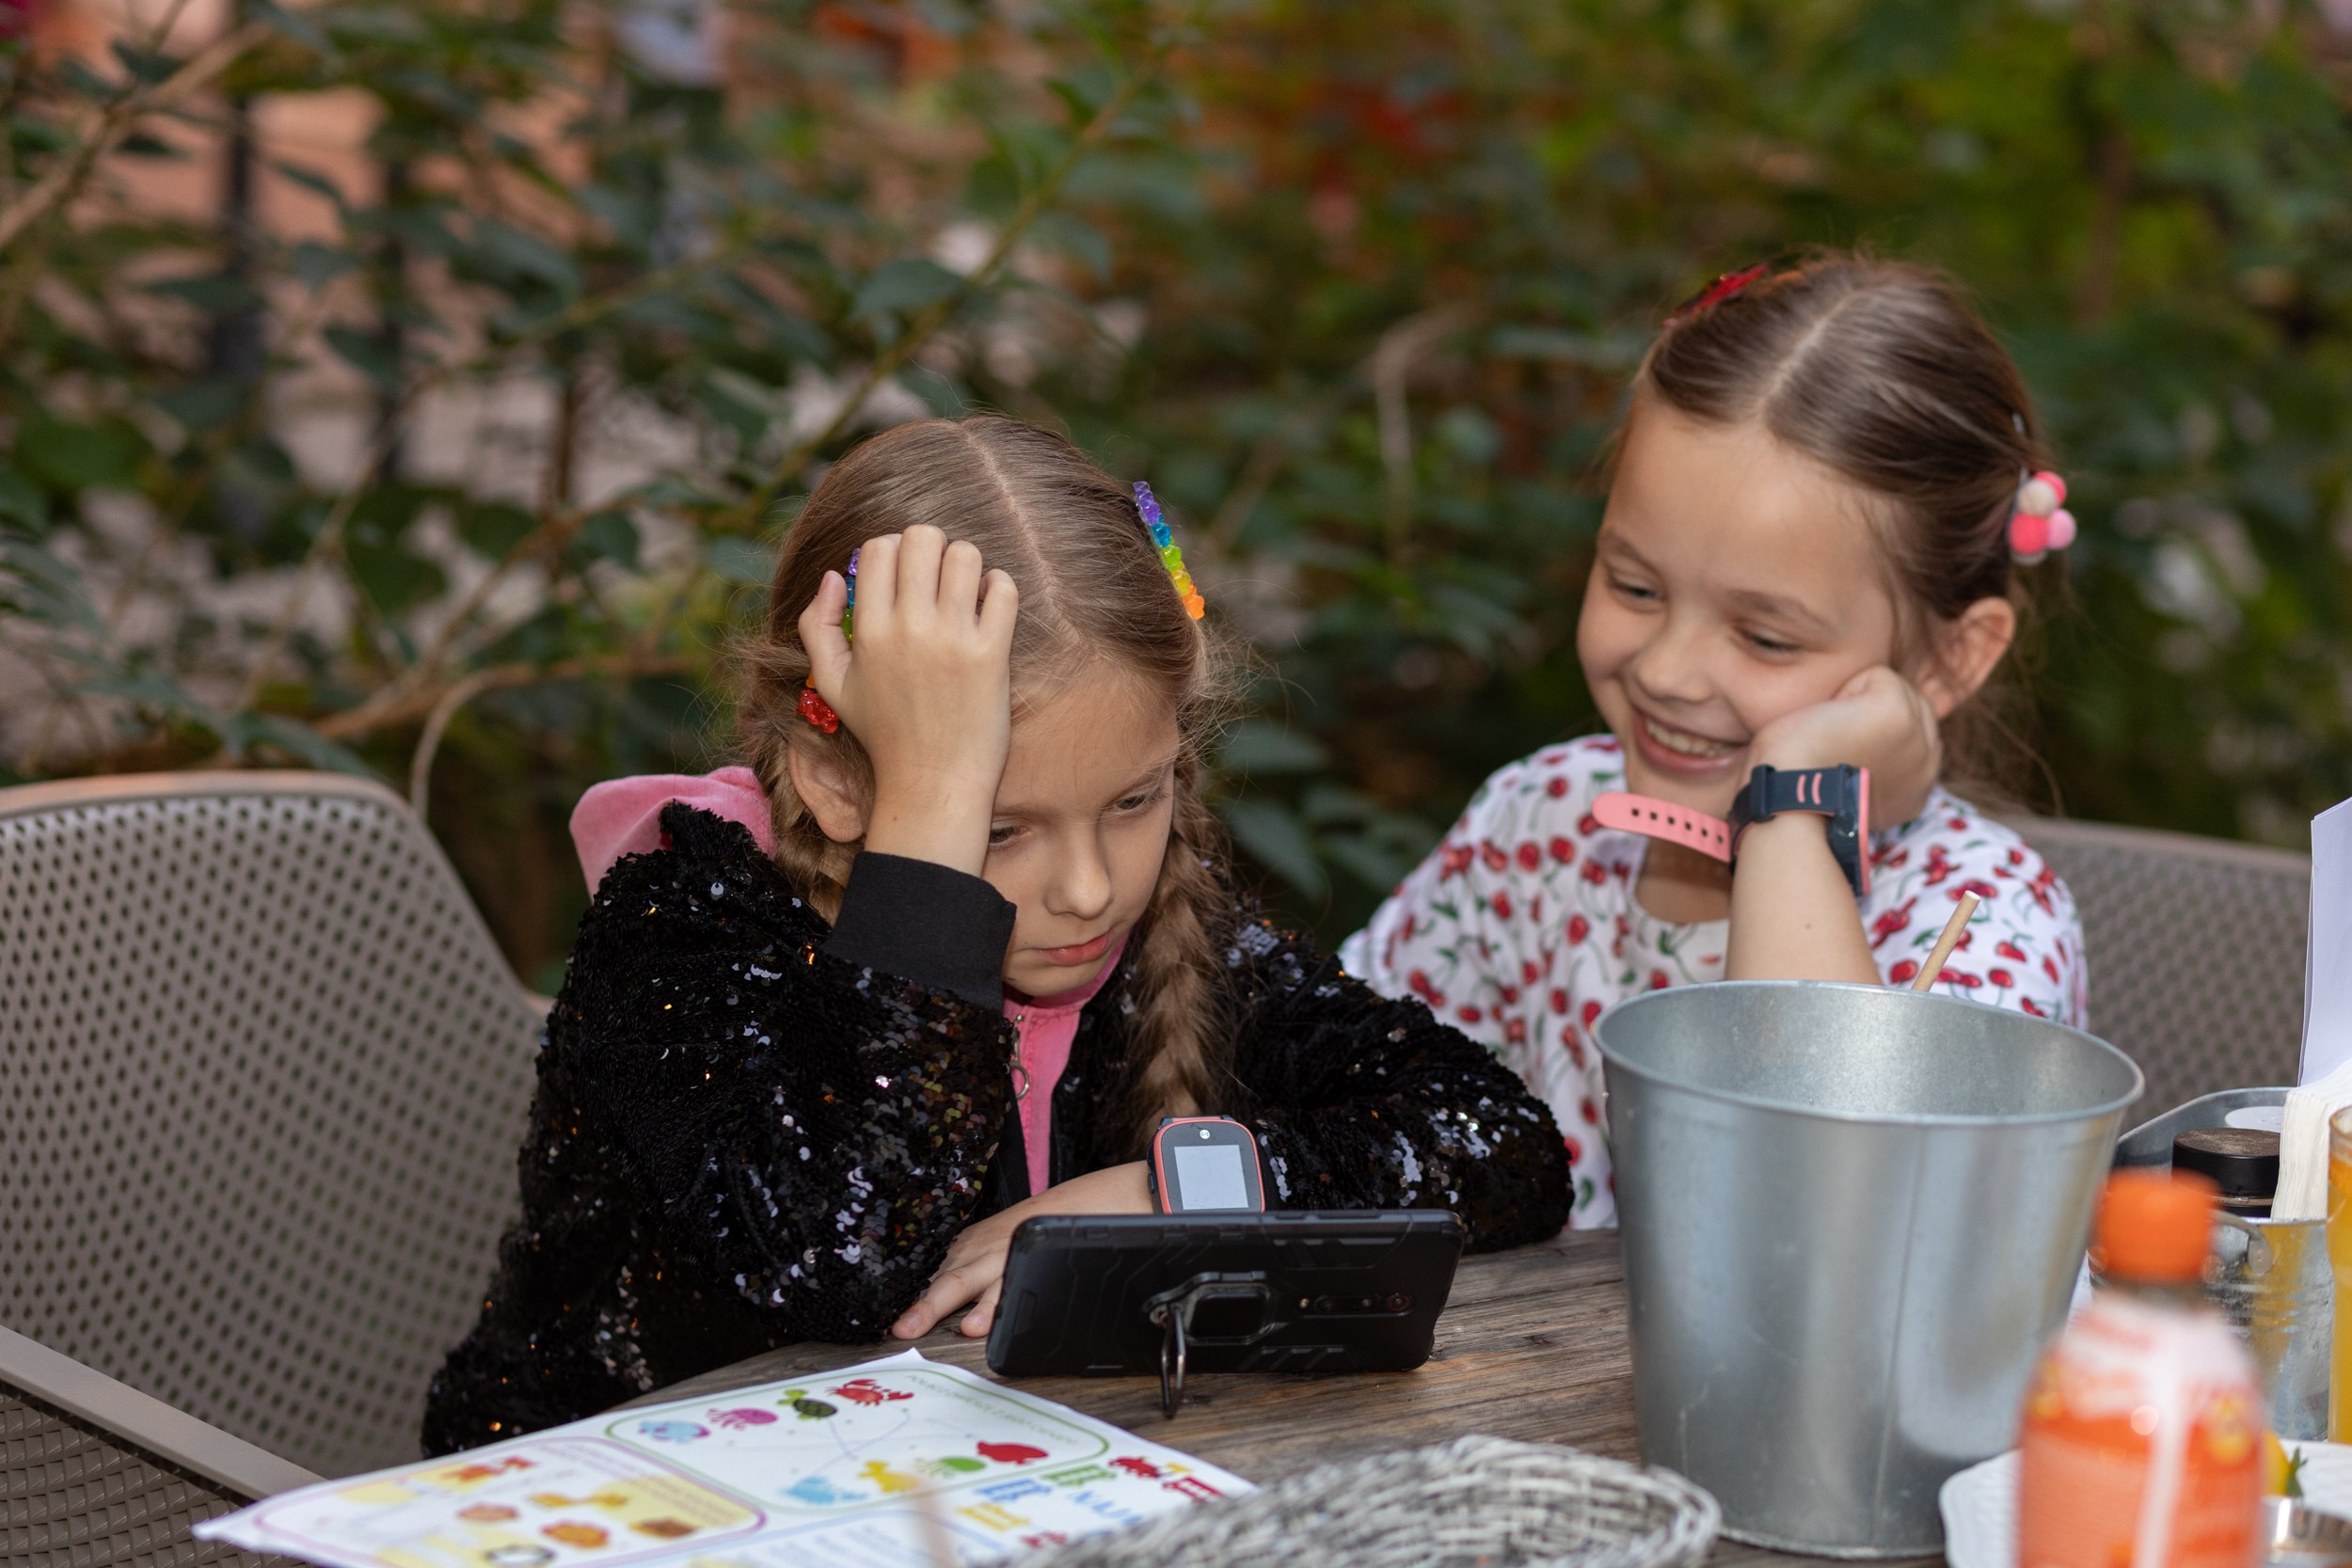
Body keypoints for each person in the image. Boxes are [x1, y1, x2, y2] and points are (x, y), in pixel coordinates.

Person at [422, 417, 1571, 1452]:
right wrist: (927, 819)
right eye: (1002, 825)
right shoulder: (682, 930)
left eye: (1135, 797)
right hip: (617, 1510)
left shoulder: (1168, 922)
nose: (1086, 887)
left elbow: (1498, 1139)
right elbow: (835, 1262)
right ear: (831, 776)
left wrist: (1170, 1194)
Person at [1340, 257, 2089, 1227]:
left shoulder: (1983, 919)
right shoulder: (1540, 823)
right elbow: (1347, 1084)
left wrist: (1785, 808)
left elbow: (1823, 1241)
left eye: (1765, 635)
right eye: (1634, 585)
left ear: (1948, 660)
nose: (1667, 670)